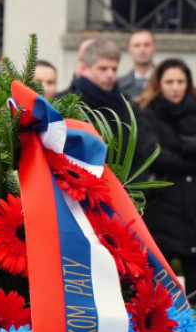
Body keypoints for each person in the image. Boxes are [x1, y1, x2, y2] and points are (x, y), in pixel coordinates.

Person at [134, 58, 196, 290]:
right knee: (161, 290)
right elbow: (156, 156)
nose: (175, 87)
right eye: (169, 81)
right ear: (159, 84)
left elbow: (169, 155)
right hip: (162, 209)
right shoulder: (147, 112)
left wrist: (180, 147)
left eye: (180, 81)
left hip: (192, 212)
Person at [60, 37, 133, 139]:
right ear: (84, 68)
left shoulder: (127, 104)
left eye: (114, 69)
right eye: (103, 69)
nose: (110, 75)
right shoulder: (65, 103)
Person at [118, 29, 157, 100]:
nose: (142, 49)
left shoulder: (167, 82)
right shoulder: (118, 86)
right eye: (137, 45)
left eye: (147, 45)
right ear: (129, 50)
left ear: (155, 49)